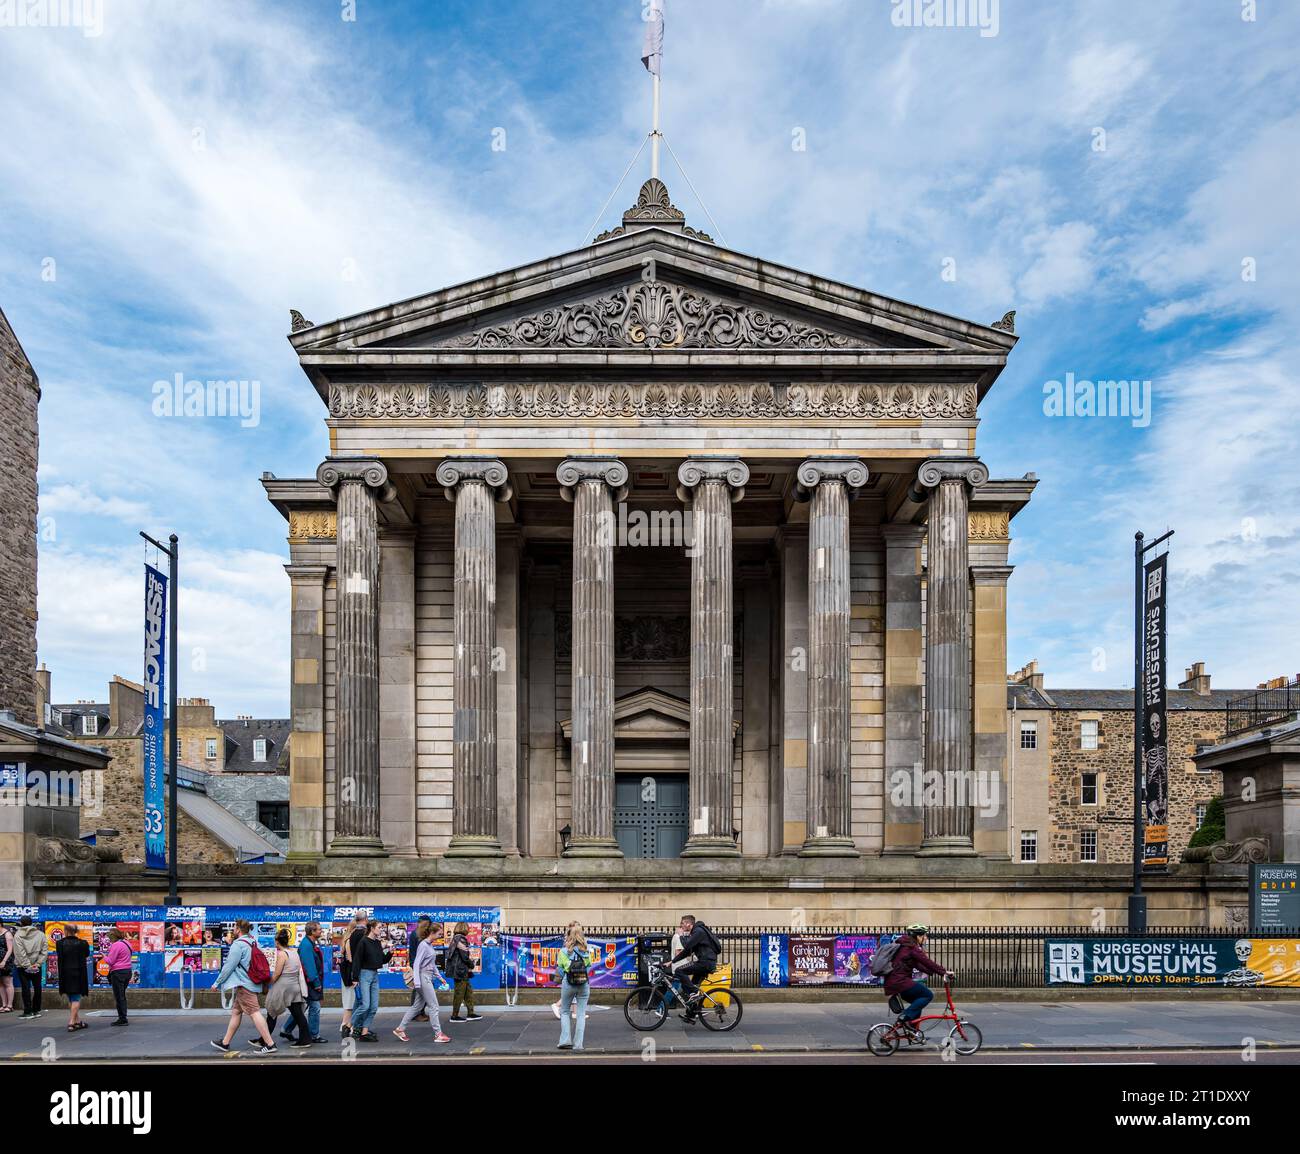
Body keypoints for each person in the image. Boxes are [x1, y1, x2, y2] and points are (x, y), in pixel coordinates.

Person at [211, 919, 277, 1054]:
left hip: (244, 984)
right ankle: (225, 1043)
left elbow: (229, 966)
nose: (233, 930)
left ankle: (270, 1044)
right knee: (236, 1011)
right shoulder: (253, 942)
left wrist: (217, 983)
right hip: (252, 982)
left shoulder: (238, 945)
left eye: (234, 928)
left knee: (254, 1012)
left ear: (238, 930)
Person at [883, 924, 954, 1039]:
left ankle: (913, 1032)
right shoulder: (912, 948)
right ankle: (905, 1018)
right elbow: (927, 962)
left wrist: (937, 973)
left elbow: (919, 965)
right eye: (924, 935)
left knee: (918, 1002)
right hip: (900, 982)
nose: (926, 938)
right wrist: (944, 972)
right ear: (917, 936)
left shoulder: (904, 946)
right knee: (927, 995)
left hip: (895, 982)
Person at [393, 920, 450, 1043]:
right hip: (423, 978)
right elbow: (417, 964)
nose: (440, 936)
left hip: (425, 977)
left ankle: (400, 1029)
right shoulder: (424, 945)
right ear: (432, 933)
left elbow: (432, 964)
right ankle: (438, 1034)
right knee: (434, 1006)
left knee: (416, 1006)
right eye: (439, 933)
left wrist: (440, 978)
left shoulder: (428, 945)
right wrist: (418, 983)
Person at [264, 928, 311, 1047]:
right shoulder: (294, 951)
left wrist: (267, 984)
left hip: (283, 987)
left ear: (277, 941)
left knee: (271, 1011)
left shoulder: (282, 954)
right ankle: (305, 1039)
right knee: (298, 1014)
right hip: (295, 987)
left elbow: (277, 974)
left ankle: (264, 1040)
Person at [669, 914, 720, 1023]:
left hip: (705, 963)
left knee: (679, 971)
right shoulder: (696, 933)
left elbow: (687, 945)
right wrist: (672, 961)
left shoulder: (699, 931)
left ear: (689, 924)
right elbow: (687, 952)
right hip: (705, 962)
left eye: (682, 923)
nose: (681, 926)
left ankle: (694, 993)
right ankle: (691, 1014)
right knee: (691, 986)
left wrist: (681, 935)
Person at [349, 919, 392, 1042]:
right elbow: (357, 960)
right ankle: (348, 1025)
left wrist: (390, 953)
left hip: (374, 975)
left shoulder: (377, 943)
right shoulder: (363, 942)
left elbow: (381, 960)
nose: (381, 930)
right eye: (379, 927)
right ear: (372, 929)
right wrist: (355, 978)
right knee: (365, 1005)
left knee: (373, 1008)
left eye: (382, 928)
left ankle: (364, 1032)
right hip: (364, 975)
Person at [555, 923, 591, 1052]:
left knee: (564, 1011)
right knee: (581, 1014)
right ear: (581, 935)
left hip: (568, 983)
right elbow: (588, 968)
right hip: (583, 984)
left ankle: (565, 1041)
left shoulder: (563, 951)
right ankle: (578, 1045)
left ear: (568, 935)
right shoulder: (586, 951)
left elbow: (559, 971)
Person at [55, 925, 90, 1032]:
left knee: (71, 996)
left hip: (65, 973)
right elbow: (86, 954)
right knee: (76, 997)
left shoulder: (60, 943)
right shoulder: (83, 943)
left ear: (65, 931)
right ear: (75, 932)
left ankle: (77, 1021)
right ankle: (71, 1022)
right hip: (78, 973)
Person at [445, 922, 481, 1022]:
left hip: (459, 971)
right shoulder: (461, 939)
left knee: (468, 991)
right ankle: (454, 1016)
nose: (469, 930)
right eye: (468, 928)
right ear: (464, 928)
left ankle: (471, 1013)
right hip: (460, 971)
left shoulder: (455, 939)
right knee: (459, 993)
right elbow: (464, 956)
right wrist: (471, 964)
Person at [339, 911, 368, 1038]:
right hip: (351, 974)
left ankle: (346, 1025)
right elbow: (351, 959)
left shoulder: (346, 939)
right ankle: (346, 1026)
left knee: (349, 1001)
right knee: (351, 1002)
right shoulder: (351, 939)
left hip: (346, 974)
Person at [297, 921, 327, 1043]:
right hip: (309, 982)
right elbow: (309, 967)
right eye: (319, 930)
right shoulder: (307, 945)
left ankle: (286, 1030)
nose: (321, 931)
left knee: (302, 1007)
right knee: (315, 1007)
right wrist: (316, 983)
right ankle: (314, 1035)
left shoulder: (309, 943)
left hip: (308, 981)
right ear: (312, 932)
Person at [13, 915, 46, 1019]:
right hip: (36, 966)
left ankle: (28, 1011)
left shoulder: (18, 935)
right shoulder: (41, 934)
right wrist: (37, 964)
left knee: (25, 988)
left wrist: (27, 965)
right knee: (37, 987)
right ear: (31, 923)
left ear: (21, 923)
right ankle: (36, 1010)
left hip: (23, 967)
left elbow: (19, 953)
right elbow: (44, 951)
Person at [104, 927, 133, 1026]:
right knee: (122, 995)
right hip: (127, 972)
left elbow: (110, 961)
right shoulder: (127, 943)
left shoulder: (116, 945)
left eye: (109, 937)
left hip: (118, 973)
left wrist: (104, 956)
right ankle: (123, 1016)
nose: (109, 940)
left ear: (113, 936)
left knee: (119, 996)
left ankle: (122, 1018)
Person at [406, 916, 431, 1023]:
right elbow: (416, 952)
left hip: (419, 964)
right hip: (419, 965)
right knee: (418, 990)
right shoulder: (417, 935)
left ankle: (419, 1011)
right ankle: (416, 1013)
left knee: (421, 989)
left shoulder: (417, 934)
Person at [0, 919, 15, 1013]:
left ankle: (10, 1005)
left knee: (7, 982)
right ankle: (4, 1004)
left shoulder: (7, 934)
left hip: (6, 961)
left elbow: (10, 950)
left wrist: (4, 961)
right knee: (0, 983)